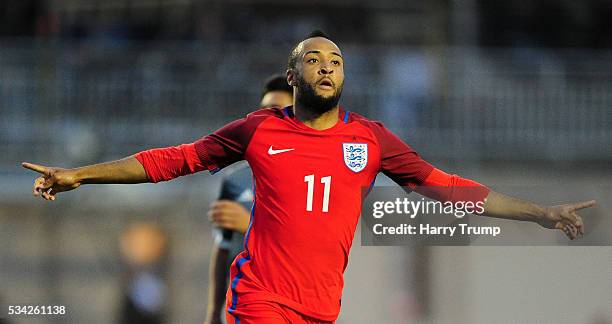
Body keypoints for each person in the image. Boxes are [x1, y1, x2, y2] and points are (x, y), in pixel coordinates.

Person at [23, 30, 595, 324]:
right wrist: (81, 175)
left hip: (320, 308)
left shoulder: (370, 139)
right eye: (315, 59)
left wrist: (540, 212)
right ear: (293, 74)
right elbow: (171, 160)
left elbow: (448, 189)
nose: (327, 67)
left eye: (336, 61)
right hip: (261, 298)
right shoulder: (258, 131)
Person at [205, 75, 293, 324]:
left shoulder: (310, 178)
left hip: (283, 304)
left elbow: (307, 248)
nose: (268, 116)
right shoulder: (235, 180)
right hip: (241, 305)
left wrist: (250, 226)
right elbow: (222, 249)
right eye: (264, 110)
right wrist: (213, 312)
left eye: (278, 110)